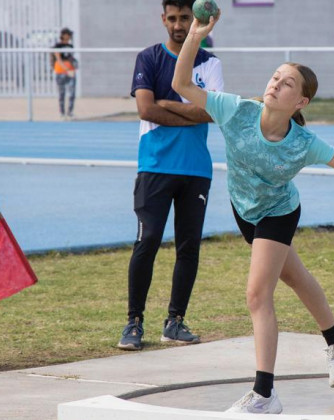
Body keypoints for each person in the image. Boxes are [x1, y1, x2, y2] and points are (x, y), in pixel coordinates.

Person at [172, 12, 334, 414]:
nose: (276, 84)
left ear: (301, 101)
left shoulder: (304, 143)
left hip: (279, 212)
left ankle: (264, 394)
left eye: (287, 83)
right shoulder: (236, 110)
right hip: (245, 210)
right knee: (295, 276)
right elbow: (179, 85)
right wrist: (195, 35)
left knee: (257, 294)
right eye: (275, 77)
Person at [117, 0, 224, 351]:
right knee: (146, 244)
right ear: (163, 19)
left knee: (188, 247)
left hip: (195, 170)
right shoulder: (148, 58)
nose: (179, 25)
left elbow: (211, 112)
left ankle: (175, 322)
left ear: (197, 20)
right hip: (155, 166)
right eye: (174, 18)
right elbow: (145, 108)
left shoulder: (210, 62)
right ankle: (134, 322)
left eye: (186, 18)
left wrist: (168, 104)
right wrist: (185, 111)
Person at [52, 27, 76, 119]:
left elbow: (70, 58)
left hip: (70, 71)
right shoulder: (57, 46)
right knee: (62, 93)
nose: (69, 36)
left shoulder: (70, 46)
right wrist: (66, 68)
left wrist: (73, 66)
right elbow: (58, 58)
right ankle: (62, 113)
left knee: (72, 93)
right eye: (68, 34)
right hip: (60, 70)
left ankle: (70, 112)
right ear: (63, 35)